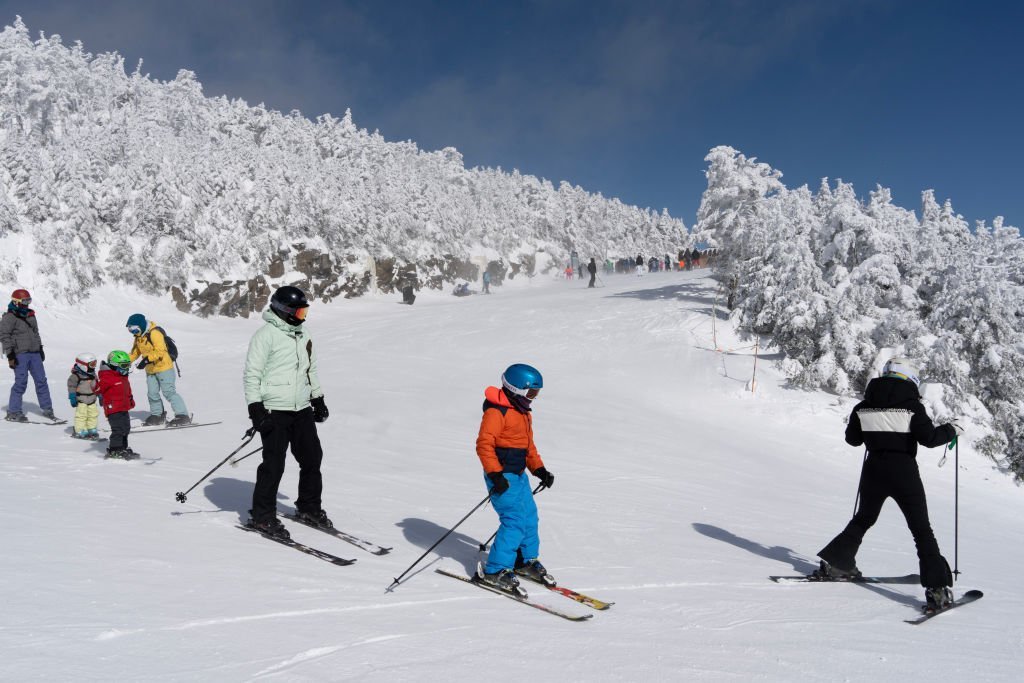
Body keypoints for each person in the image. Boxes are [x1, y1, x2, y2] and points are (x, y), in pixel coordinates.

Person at [816, 357, 961, 611]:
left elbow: (853, 440)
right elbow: (929, 439)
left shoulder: (863, 406)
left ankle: (836, 562)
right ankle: (937, 589)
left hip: (873, 470)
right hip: (904, 472)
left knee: (863, 519)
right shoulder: (912, 408)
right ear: (910, 379)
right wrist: (952, 430)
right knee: (921, 530)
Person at [244, 285, 331, 539]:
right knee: (274, 465)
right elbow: (252, 374)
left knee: (312, 458)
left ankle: (309, 507)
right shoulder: (266, 335)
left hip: (301, 408)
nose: (303, 316)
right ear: (285, 310)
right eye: (300, 311)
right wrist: (255, 408)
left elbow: (309, 370)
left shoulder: (303, 335)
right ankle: (262, 517)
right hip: (274, 410)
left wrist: (318, 398)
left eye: (305, 312)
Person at [475, 363, 556, 595]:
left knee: (529, 516)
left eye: (536, 394)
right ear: (516, 389)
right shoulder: (496, 411)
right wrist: (494, 474)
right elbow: (484, 445)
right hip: (501, 475)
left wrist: (539, 469)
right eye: (531, 393)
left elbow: (528, 446)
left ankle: (523, 561)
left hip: (519, 475)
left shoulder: (523, 413)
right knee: (514, 520)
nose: (533, 399)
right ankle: (495, 570)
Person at [1, 288, 56, 422]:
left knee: (41, 381)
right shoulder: (9, 317)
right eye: (24, 301)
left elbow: (35, 332)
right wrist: (10, 355)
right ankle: (13, 411)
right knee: (21, 382)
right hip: (20, 354)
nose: (27, 304)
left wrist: (40, 348)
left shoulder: (31, 315)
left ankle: (47, 408)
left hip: (34, 353)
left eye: (28, 301)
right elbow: (4, 335)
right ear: (16, 302)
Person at [126, 314, 190, 426]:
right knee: (152, 393)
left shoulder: (155, 333)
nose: (133, 332)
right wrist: (124, 362)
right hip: (151, 370)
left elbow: (160, 351)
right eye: (130, 330)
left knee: (169, 392)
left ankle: (182, 415)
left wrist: (145, 361)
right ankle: (157, 415)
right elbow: (135, 353)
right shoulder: (138, 337)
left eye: (134, 329)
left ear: (140, 326)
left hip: (164, 367)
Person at [95, 350, 137, 459]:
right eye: (124, 365)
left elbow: (127, 391)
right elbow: (98, 388)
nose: (127, 368)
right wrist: (95, 387)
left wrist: (130, 400)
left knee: (126, 428)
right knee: (118, 429)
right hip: (113, 409)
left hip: (123, 408)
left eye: (128, 365)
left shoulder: (123, 377)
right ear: (114, 365)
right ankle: (114, 449)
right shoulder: (107, 377)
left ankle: (122, 448)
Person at [67, 353, 100, 439]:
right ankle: (80, 430)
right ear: (83, 365)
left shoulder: (93, 374)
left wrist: (100, 395)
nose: (93, 367)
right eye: (92, 364)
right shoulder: (75, 376)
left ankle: (91, 429)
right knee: (81, 415)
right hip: (81, 399)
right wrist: (72, 397)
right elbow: (71, 387)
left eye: (95, 364)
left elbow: (97, 386)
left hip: (92, 399)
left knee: (93, 414)